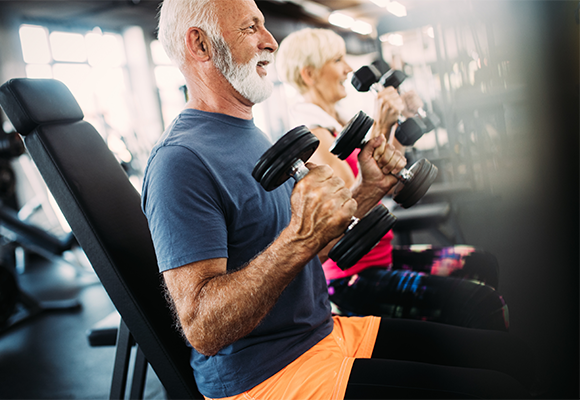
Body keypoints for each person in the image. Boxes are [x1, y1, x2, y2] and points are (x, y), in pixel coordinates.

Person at [142, 0, 537, 398]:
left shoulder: (249, 134)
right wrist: (297, 237)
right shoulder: (179, 161)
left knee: (513, 356)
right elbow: (203, 329)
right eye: (250, 28)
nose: (271, 41)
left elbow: (311, 251)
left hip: (325, 333)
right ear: (200, 44)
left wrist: (368, 189)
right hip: (267, 376)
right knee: (498, 389)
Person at [276, 27, 502, 320]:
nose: (347, 69)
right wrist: (381, 127)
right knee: (483, 304)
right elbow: (350, 209)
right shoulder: (311, 136)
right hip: (351, 278)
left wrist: (399, 124)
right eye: (337, 61)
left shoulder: (339, 122)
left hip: (382, 256)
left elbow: (391, 183)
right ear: (310, 74)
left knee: (482, 263)